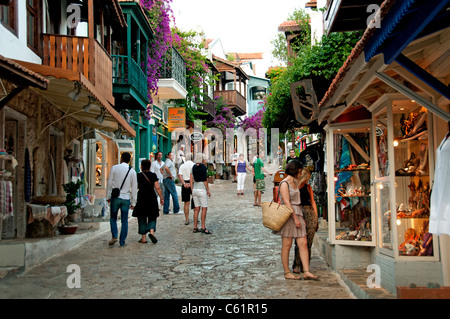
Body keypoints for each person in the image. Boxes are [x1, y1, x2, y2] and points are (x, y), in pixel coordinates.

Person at [273, 160, 318, 280]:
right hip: (290, 215)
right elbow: (287, 202)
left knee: (303, 243)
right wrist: (295, 219)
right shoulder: (284, 183)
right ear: (296, 170)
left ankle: (306, 270)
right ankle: (287, 272)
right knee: (286, 244)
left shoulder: (295, 182)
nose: (300, 173)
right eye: (299, 171)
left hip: (298, 212)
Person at [106, 152, 137, 247]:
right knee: (124, 220)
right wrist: (133, 202)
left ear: (121, 158)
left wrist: (108, 196)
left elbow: (109, 182)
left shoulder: (114, 168)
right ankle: (122, 241)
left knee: (113, 218)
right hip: (126, 198)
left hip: (116, 197)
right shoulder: (132, 171)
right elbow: (134, 188)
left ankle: (114, 235)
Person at [292, 169, 319, 274]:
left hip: (310, 213)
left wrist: (316, 216)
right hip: (299, 213)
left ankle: (305, 265)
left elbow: (312, 202)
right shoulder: (294, 187)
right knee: (299, 241)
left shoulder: (308, 187)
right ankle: (297, 264)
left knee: (309, 240)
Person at [132, 159, 164, 244]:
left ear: (141, 166)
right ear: (150, 166)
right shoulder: (153, 175)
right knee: (152, 215)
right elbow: (157, 187)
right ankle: (152, 232)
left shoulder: (138, 175)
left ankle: (143, 238)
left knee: (142, 217)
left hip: (142, 197)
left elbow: (135, 187)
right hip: (152, 197)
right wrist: (161, 198)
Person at [190, 153, 212, 234]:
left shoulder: (193, 167)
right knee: (204, 208)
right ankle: (203, 227)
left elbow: (191, 179)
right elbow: (205, 180)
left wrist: (192, 190)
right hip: (201, 189)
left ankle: (195, 227)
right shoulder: (203, 167)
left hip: (195, 189)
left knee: (196, 209)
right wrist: (208, 190)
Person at [178, 153, 194, 225]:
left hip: (185, 183)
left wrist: (184, 183)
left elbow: (180, 176)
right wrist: (191, 183)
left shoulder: (182, 166)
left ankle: (187, 219)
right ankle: (195, 217)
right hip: (192, 183)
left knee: (186, 203)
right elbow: (194, 176)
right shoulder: (193, 165)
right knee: (195, 201)